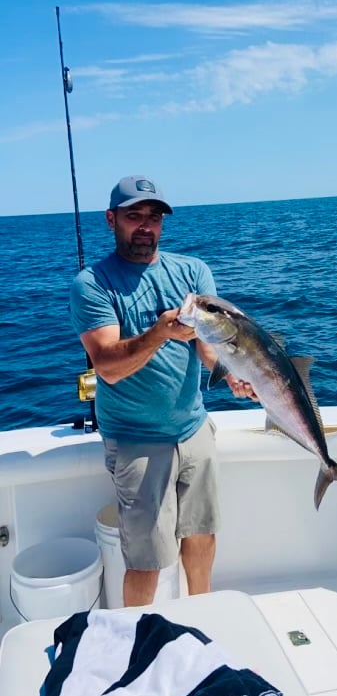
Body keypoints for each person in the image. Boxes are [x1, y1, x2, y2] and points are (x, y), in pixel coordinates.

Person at [70, 175, 255, 606]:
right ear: (111, 219)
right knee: (147, 559)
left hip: (194, 429)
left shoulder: (193, 272)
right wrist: (158, 333)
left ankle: (204, 614)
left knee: (202, 534)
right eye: (134, 216)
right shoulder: (93, 284)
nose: (145, 226)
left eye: (154, 217)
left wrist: (228, 373)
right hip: (136, 439)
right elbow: (108, 368)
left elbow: (209, 344)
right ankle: (139, 639)